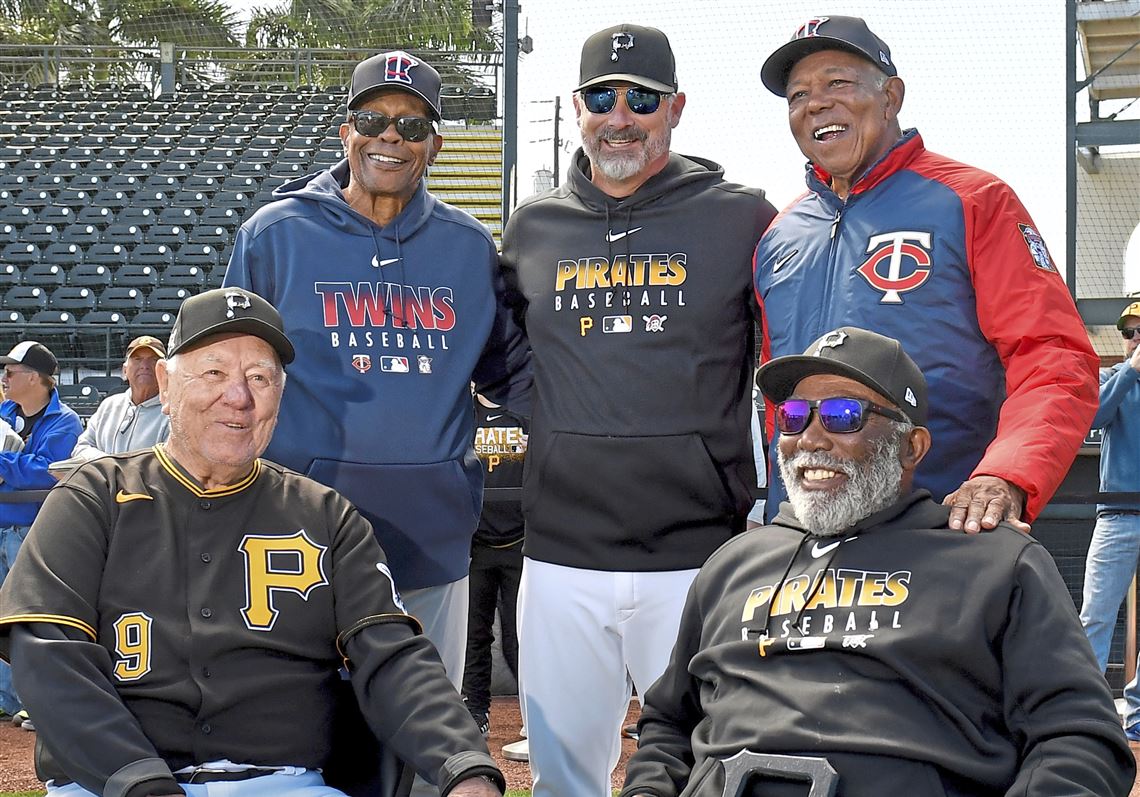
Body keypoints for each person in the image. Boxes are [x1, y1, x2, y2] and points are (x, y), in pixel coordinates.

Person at [0, 287, 504, 797]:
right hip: (109, 782)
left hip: (284, 784)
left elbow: (394, 656)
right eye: (214, 372)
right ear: (168, 387)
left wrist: (463, 764)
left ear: (279, 397)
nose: (238, 397)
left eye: (259, 378)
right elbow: (47, 655)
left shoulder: (327, 516)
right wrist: (137, 781)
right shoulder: (93, 497)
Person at [621, 326, 1134, 797]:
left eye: (844, 415)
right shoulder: (734, 563)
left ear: (911, 447)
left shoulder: (995, 563)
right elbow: (668, 723)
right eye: (794, 417)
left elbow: (1079, 740)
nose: (810, 439)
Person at [223, 51, 530, 797]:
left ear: (434, 142)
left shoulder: (466, 247)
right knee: (295, 738)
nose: (390, 135)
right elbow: (230, 373)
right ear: (345, 131)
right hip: (295, 538)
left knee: (424, 735)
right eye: (372, 119)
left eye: (411, 123)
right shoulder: (275, 233)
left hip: (429, 540)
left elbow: (514, 375)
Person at [498, 23, 778, 797]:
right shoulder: (533, 226)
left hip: (697, 556)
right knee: (563, 777)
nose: (620, 115)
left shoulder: (741, 217)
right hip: (561, 555)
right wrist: (559, 413)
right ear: (579, 107)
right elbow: (505, 350)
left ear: (675, 107)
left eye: (642, 99)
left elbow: (785, 355)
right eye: (600, 97)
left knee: (700, 773)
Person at [753, 15, 1098, 533]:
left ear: (891, 96)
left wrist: (1006, 475)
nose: (815, 103)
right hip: (806, 532)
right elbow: (775, 398)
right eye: (797, 95)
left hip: (944, 527)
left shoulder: (974, 200)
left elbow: (1054, 355)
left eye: (836, 83)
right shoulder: (779, 233)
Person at [0, 340, 82, 724]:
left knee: (29, 618)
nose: (4, 377)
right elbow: (27, 466)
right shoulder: (4, 412)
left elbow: (47, 470)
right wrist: (15, 465)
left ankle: (34, 700)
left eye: (11, 371)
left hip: (32, 529)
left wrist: (4, 464)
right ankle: (5, 699)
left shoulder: (65, 421)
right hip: (3, 525)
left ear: (35, 378)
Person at [1079, 300, 1140, 740]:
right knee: (1095, 616)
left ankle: (1138, 720)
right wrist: (1131, 371)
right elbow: (1093, 416)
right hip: (1117, 514)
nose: (1135, 340)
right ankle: (1084, 714)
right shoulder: (1112, 379)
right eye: (1130, 333)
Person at [461, 394, 525, 738]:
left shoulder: (527, 410)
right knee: (474, 634)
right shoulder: (462, 412)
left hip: (522, 543)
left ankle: (535, 718)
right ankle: (475, 710)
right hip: (475, 545)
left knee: (523, 636)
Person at [69, 335, 170, 462]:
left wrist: (116, 470)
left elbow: (169, 465)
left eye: (154, 359)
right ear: (124, 371)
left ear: (164, 371)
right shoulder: (109, 405)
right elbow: (81, 448)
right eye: (137, 359)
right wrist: (107, 463)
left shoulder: (172, 412)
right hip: (102, 480)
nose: (144, 365)